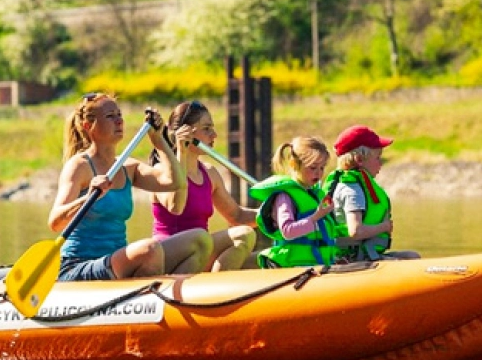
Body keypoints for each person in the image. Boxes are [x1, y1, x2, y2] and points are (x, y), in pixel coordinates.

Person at [48, 93, 212, 281]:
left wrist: (158, 139)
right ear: (88, 126)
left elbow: (176, 182)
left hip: (114, 261)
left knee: (200, 240)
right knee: (150, 250)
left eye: (120, 115)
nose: (119, 121)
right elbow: (55, 223)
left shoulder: (128, 167)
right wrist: (89, 197)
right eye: (110, 116)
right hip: (79, 265)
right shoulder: (79, 166)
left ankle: (173, 299)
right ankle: (151, 296)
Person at [150, 101, 258, 271]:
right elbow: (175, 206)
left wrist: (272, 212)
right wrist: (182, 152)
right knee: (244, 235)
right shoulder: (161, 170)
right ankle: (217, 292)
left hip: (201, 250)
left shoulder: (210, 173)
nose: (214, 135)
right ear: (184, 133)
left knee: (262, 259)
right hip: (169, 256)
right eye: (206, 129)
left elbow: (237, 216)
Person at [325, 125, 420, 261]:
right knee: (409, 259)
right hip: (352, 258)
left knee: (412, 256)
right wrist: (384, 227)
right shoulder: (351, 190)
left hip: (364, 254)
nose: (381, 163)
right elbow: (355, 231)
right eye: (377, 157)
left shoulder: (354, 185)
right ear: (359, 159)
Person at [250, 136, 342, 268]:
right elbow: (287, 231)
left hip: (317, 265)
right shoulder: (285, 197)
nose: (319, 173)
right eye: (313, 168)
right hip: (292, 266)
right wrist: (316, 216)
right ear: (294, 164)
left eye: (322, 168)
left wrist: (334, 257)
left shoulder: (315, 196)